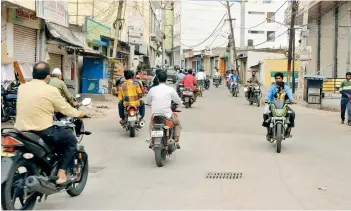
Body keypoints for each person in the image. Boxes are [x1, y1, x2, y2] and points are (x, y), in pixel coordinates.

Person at [15, 62, 86, 185]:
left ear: (33, 75)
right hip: (42, 130)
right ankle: (61, 174)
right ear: (48, 77)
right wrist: (80, 114)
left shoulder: (22, 87)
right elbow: (65, 108)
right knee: (70, 141)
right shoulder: (51, 90)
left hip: (20, 130)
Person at [146, 71, 183, 149]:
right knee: (177, 124)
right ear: (166, 79)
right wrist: (180, 104)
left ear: (158, 79)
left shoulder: (152, 89)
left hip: (155, 115)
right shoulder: (170, 89)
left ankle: (152, 140)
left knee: (151, 126)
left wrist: (151, 103)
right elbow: (177, 100)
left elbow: (148, 101)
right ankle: (176, 140)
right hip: (167, 115)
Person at [262, 72, 296, 138]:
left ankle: (288, 130)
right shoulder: (272, 88)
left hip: (283, 106)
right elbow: (267, 96)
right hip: (273, 105)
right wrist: (264, 100)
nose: (277, 80)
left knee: (292, 114)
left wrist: (293, 101)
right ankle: (268, 131)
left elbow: (291, 98)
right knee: (266, 113)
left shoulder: (287, 88)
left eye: (279, 78)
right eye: (276, 78)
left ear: (282, 79)